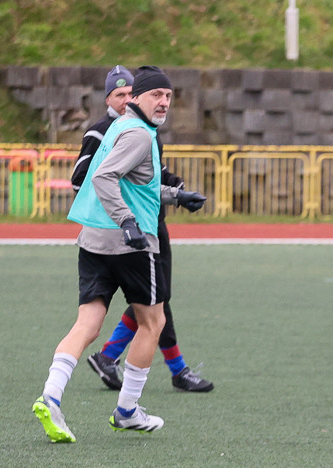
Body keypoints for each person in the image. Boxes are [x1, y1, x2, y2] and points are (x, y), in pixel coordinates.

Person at [32, 66, 208, 443]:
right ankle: (127, 410)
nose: (163, 102)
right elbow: (102, 178)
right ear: (136, 98)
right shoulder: (140, 136)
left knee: (88, 325)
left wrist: (177, 196)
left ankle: (51, 395)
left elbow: (133, 182)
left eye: (168, 96)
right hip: (128, 243)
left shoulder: (118, 127)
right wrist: (128, 223)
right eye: (156, 95)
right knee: (152, 322)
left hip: (93, 240)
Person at [73, 66, 214, 393]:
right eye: (119, 94)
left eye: (128, 93)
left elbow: (150, 174)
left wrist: (174, 189)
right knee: (154, 302)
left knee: (155, 299)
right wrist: (123, 215)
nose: (125, 100)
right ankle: (169, 371)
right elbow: (84, 178)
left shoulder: (144, 126)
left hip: (151, 223)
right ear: (109, 97)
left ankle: (113, 357)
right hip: (124, 229)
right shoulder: (104, 131)